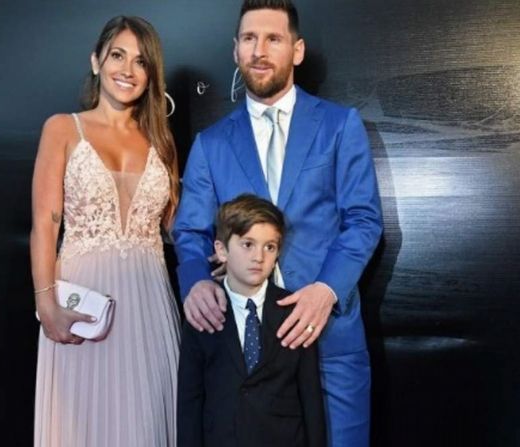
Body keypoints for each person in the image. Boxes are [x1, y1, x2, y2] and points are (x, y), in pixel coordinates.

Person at [172, 1, 383, 446]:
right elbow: (190, 232)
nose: (259, 50)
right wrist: (195, 282)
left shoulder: (339, 126)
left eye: (273, 38)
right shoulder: (211, 144)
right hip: (247, 353)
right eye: (249, 39)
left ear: (297, 50)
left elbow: (363, 220)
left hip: (328, 338)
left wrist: (326, 290)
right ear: (235, 50)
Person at [30, 15, 181, 447]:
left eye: (140, 61)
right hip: (83, 304)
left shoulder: (161, 140)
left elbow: (177, 227)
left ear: (151, 74)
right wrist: (46, 304)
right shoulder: (62, 128)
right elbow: (44, 224)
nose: (127, 70)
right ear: (96, 62)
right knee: (82, 426)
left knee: (145, 425)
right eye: (117, 55)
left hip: (149, 305)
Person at [177, 194, 325, 447]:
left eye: (270, 247)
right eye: (248, 244)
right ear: (221, 250)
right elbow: (190, 401)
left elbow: (311, 399)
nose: (259, 257)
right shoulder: (203, 311)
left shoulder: (294, 312)